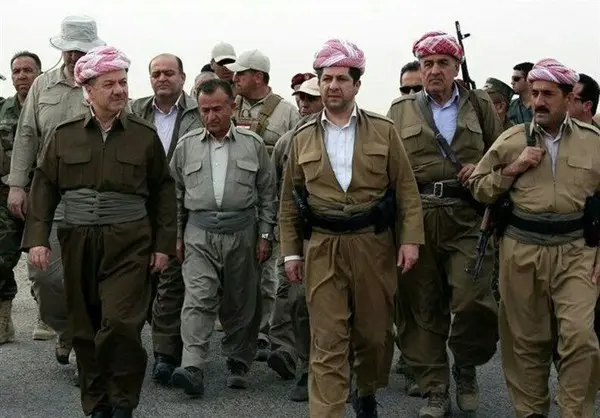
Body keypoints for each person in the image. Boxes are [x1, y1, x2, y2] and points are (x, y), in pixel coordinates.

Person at [21, 46, 176, 418]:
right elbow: (43, 187)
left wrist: (163, 245)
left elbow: (163, 191)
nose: (120, 90)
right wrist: (38, 239)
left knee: (122, 323)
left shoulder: (143, 135)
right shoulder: (64, 135)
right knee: (85, 327)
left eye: (123, 82)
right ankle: (97, 404)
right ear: (88, 90)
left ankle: (123, 401)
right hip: (78, 239)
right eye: (109, 84)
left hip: (130, 242)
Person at [279, 38, 425, 418]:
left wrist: (410, 241)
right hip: (323, 247)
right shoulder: (301, 138)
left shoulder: (384, 131)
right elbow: (289, 201)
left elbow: (406, 191)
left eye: (342, 79)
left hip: (372, 245)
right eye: (327, 78)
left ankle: (366, 388)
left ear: (357, 84)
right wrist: (291, 253)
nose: (333, 86)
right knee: (327, 341)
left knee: (374, 337)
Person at [468, 58, 600, 418]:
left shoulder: (592, 141)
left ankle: (575, 412)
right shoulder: (512, 140)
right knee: (526, 344)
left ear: (569, 97)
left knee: (580, 338)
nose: (538, 101)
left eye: (548, 94)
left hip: (577, 251)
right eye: (536, 93)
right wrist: (514, 168)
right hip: (522, 251)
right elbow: (479, 187)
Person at [386, 31, 502, 417]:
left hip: (467, 217)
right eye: (427, 64)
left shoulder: (479, 104)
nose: (434, 70)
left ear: (456, 67)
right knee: (422, 307)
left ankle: (465, 365)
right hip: (417, 218)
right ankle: (435, 388)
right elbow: (387, 166)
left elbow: (501, 151)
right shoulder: (400, 110)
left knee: (473, 301)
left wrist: (482, 166)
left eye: (442, 63)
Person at [7, 14, 106, 373]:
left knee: (89, 275)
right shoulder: (42, 86)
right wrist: (17, 185)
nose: (74, 55)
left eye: (81, 50)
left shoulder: (104, 83)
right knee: (44, 276)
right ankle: (66, 329)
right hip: (49, 194)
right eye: (69, 49)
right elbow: (26, 136)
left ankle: (84, 343)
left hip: (94, 196)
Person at [169, 78, 276, 395]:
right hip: (199, 233)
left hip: (242, 231)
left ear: (232, 106)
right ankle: (192, 366)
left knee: (240, 301)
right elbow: (175, 195)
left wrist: (265, 235)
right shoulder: (186, 145)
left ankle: (239, 360)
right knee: (198, 298)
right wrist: (177, 236)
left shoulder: (252, 144)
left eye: (217, 109)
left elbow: (267, 193)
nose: (210, 116)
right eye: (204, 110)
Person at [131, 53, 202, 386]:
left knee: (172, 280)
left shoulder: (199, 112)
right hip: (139, 208)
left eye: (169, 73)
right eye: (156, 73)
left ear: (182, 77)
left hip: (181, 207)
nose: (162, 78)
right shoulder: (134, 111)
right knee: (142, 278)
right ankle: (153, 341)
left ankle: (165, 354)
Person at [267, 76, 323, 402]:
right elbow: (278, 192)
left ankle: (346, 368)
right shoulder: (286, 143)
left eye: (310, 99)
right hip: (298, 234)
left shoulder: (348, 137)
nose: (304, 104)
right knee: (296, 300)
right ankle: (304, 364)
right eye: (301, 98)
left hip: (339, 232)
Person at [0, 51, 43, 344]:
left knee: (47, 263)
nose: (21, 76)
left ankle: (48, 314)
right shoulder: (3, 110)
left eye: (28, 70)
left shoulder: (48, 106)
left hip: (46, 196)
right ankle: (4, 318)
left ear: (39, 74)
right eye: (16, 71)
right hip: (8, 196)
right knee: (1, 256)